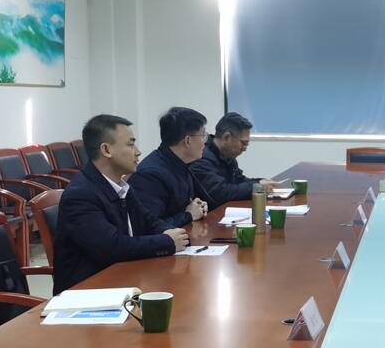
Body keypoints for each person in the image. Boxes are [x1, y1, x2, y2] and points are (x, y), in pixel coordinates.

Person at [53, 114, 189, 295]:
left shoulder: (121, 186)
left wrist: (173, 233)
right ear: (106, 150)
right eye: (130, 144)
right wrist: (167, 241)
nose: (138, 152)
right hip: (88, 292)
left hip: (123, 278)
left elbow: (149, 221)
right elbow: (112, 247)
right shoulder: (80, 195)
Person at [128, 107, 210, 228]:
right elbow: (150, 228)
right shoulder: (150, 176)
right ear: (188, 140)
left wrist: (198, 207)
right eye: (203, 135)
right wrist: (188, 215)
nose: (205, 142)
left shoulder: (181, 164)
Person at [191, 112, 283, 207]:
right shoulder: (201, 157)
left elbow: (239, 180)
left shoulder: (227, 155)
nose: (245, 148)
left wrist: (260, 182)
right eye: (243, 143)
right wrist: (257, 187)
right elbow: (219, 193)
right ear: (227, 137)